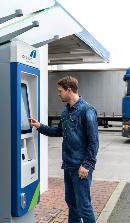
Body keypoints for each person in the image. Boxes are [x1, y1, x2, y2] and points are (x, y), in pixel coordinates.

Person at [30, 75, 99, 223]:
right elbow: (58, 132)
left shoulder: (87, 110)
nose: (58, 93)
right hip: (68, 165)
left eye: (60, 91)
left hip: (81, 167)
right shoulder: (65, 112)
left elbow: (93, 142)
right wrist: (40, 126)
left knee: (84, 206)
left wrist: (87, 165)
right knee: (71, 203)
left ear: (69, 90)